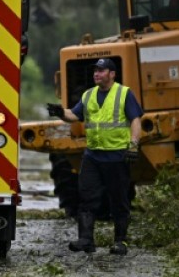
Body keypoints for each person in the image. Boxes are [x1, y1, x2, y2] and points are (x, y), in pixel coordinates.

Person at [46, 58, 143, 255]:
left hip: (116, 156)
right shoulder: (88, 95)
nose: (96, 74)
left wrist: (133, 145)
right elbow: (74, 115)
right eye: (95, 71)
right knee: (87, 198)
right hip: (93, 156)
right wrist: (60, 112)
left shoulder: (124, 94)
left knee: (119, 200)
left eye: (101, 70)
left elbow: (135, 119)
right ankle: (86, 240)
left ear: (112, 74)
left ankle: (120, 242)